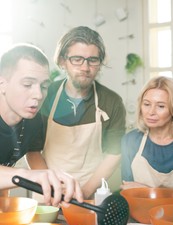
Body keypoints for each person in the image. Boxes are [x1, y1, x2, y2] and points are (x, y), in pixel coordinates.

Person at [26, 26, 126, 199]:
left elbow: (114, 154)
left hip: (90, 194)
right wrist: (53, 186)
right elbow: (32, 150)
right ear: (63, 61)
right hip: (47, 191)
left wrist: (84, 191)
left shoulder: (112, 101)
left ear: (100, 63)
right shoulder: (44, 95)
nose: (85, 67)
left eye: (93, 60)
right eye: (77, 59)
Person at [0, 43, 83, 206]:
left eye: (44, 86)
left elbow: (31, 152)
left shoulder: (34, 119)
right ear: (2, 84)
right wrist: (27, 175)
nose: (38, 95)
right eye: (27, 85)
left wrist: (51, 184)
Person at [121, 76, 173, 189]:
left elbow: (136, 189)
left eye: (160, 106)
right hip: (139, 207)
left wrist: (146, 190)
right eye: (147, 104)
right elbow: (128, 189)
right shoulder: (130, 141)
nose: (151, 112)